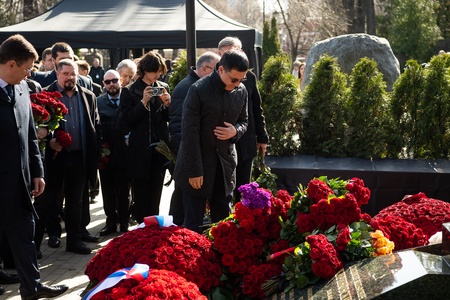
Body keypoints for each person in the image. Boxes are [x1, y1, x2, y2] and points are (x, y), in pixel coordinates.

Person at [0, 34, 68, 299]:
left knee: (25, 236)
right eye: (27, 68)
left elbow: (29, 135)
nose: (31, 74)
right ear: (12, 64)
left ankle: (32, 287)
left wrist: (37, 171)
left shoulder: (22, 89)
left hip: (21, 184)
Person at [174, 50, 249, 233]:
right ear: (221, 69)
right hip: (197, 165)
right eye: (233, 79)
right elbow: (189, 133)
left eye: (241, 80)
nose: (237, 84)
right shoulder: (198, 89)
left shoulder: (241, 90)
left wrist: (235, 131)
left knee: (223, 225)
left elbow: (244, 121)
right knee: (193, 225)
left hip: (225, 166)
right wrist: (194, 171)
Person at [44, 59, 101, 255]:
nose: (70, 78)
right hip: (55, 156)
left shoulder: (88, 96)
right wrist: (50, 140)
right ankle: (53, 234)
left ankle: (74, 240)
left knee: (76, 200)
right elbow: (37, 126)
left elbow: (94, 125)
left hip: (79, 156)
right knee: (52, 197)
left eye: (73, 74)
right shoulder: (45, 95)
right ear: (57, 74)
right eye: (66, 74)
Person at [168, 51, 220, 225]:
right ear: (205, 68)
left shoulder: (200, 86)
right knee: (183, 206)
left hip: (194, 154)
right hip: (188, 155)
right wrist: (184, 155)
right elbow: (178, 126)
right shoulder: (189, 88)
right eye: (217, 69)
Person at [120, 51, 171, 223]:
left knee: (156, 195)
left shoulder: (163, 87)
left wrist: (167, 105)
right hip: (139, 150)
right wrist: (143, 103)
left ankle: (153, 230)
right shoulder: (129, 91)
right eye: (155, 71)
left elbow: (169, 119)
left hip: (159, 149)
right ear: (145, 70)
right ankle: (141, 231)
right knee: (141, 195)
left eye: (160, 71)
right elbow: (126, 121)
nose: (158, 75)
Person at [217, 37, 269, 202]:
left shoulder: (250, 77)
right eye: (226, 54)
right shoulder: (212, 78)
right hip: (221, 142)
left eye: (235, 52)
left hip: (245, 139)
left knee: (243, 187)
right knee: (222, 190)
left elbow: (256, 108)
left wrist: (262, 137)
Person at [97, 70, 131, 235]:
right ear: (103, 84)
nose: (111, 84)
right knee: (108, 190)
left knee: (125, 190)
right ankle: (110, 222)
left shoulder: (128, 99)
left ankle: (124, 222)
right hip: (106, 154)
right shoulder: (98, 102)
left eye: (114, 80)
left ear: (121, 81)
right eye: (108, 82)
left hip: (125, 154)